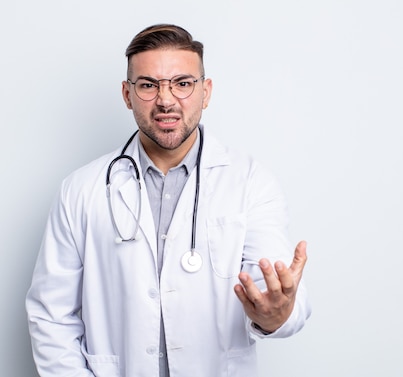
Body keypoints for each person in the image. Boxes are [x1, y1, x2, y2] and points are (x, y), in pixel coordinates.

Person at [26, 24, 311, 377]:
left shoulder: (250, 182)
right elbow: (50, 315)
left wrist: (276, 314)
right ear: (127, 95)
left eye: (182, 83)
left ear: (205, 92)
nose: (165, 99)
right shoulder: (81, 189)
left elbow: (277, 294)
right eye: (148, 85)